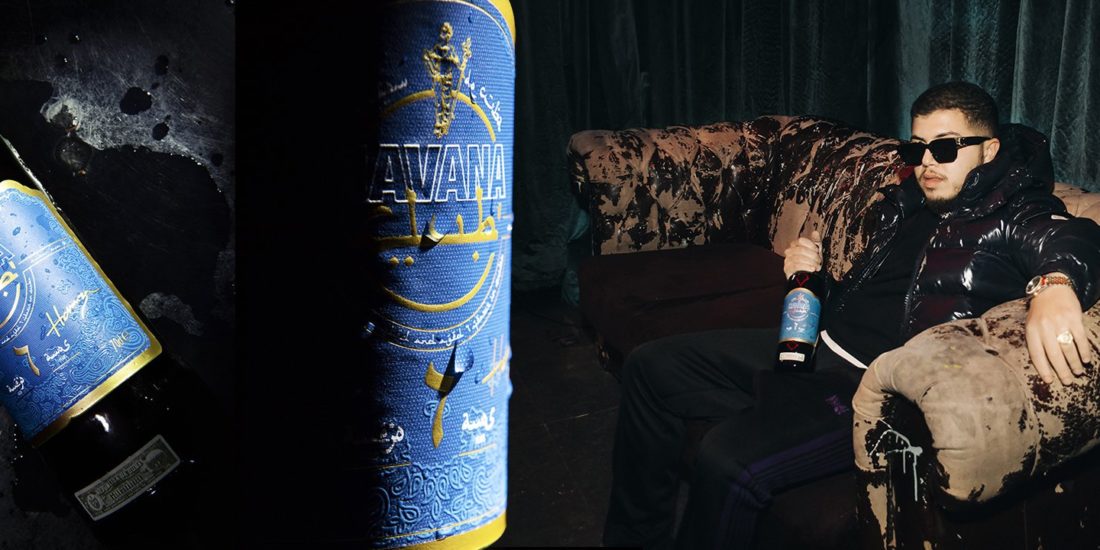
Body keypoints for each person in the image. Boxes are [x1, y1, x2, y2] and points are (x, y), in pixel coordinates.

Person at [602, 81, 1100, 549]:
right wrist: (814, 277)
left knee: (725, 458)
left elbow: (1072, 236)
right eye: (916, 149)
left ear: (988, 150)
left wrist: (1056, 284)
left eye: (946, 147)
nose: (927, 162)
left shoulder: (1014, 210)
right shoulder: (908, 203)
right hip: (818, 345)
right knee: (651, 366)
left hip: (867, 389)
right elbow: (876, 297)